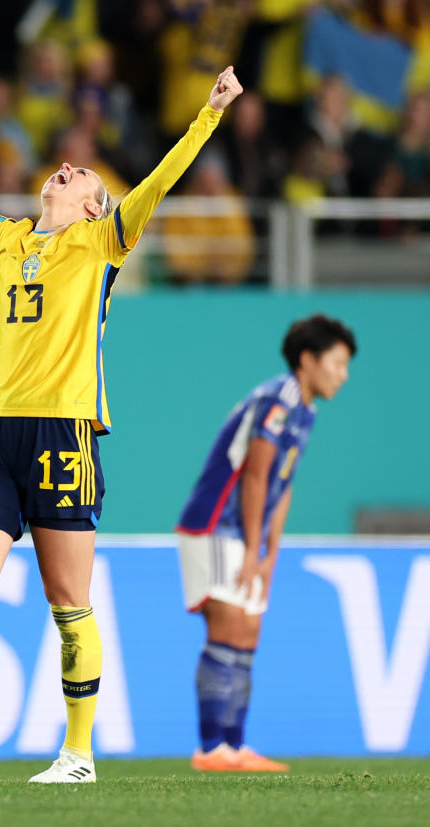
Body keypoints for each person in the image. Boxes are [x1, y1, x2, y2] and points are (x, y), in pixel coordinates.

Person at [0, 66, 243, 784]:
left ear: (92, 208)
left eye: (79, 173)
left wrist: (207, 115)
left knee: (68, 602)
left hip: (63, 433)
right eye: (62, 166)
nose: (63, 168)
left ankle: (77, 754)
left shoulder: (103, 243)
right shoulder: (4, 239)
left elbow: (156, 183)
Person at [176, 314, 355, 773]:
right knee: (228, 628)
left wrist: (271, 554)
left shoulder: (305, 410)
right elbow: (255, 476)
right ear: (308, 360)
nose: (343, 374)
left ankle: (234, 747)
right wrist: (256, 550)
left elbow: (283, 483)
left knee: (248, 632)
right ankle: (211, 747)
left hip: (245, 534)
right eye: (337, 362)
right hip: (217, 524)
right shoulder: (280, 398)